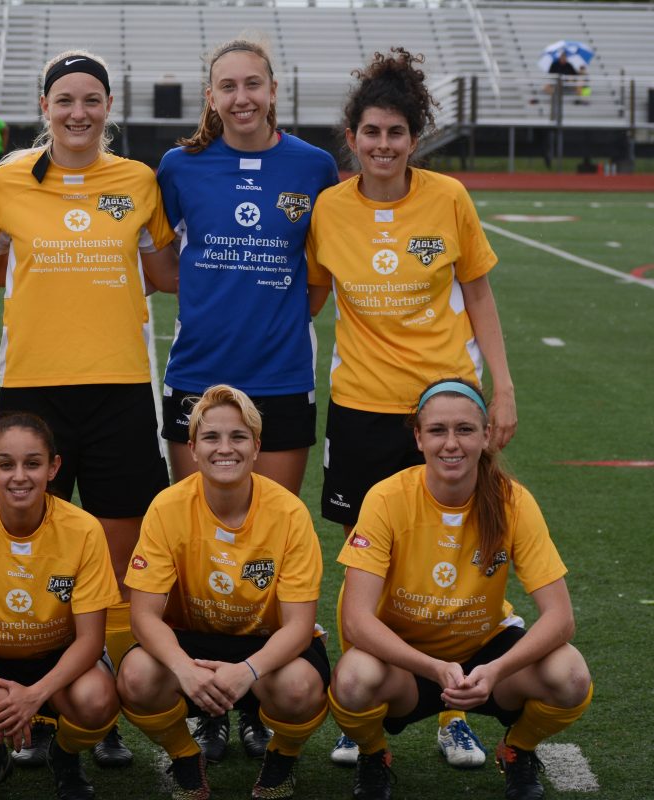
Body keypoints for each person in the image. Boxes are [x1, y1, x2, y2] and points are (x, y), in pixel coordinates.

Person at [307, 48, 517, 767]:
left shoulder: (448, 198)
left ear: (415, 137)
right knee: (364, 562)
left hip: (448, 407)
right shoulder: (329, 208)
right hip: (361, 406)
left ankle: (448, 711)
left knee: (452, 558)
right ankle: (355, 707)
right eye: (371, 132)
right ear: (352, 137)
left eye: (396, 132)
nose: (383, 145)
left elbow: (480, 293)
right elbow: (308, 295)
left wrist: (503, 389)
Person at [0, 49, 178, 768]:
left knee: (115, 570)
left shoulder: (139, 182)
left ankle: (102, 711)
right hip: (34, 393)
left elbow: (161, 271)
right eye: (65, 100)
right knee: (28, 556)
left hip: (122, 390)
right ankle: (22, 704)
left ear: (109, 107)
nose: (78, 113)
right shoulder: (6, 181)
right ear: (44, 105)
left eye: (91, 100)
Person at [154, 38, 337, 764]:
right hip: (198, 375)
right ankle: (203, 697)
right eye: (226, 86)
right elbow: (163, 260)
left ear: (273, 88)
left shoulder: (313, 166)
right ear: (210, 95)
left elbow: (317, 276)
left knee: (267, 540)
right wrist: (211, 299)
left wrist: (275, 314)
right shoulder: (179, 165)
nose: (240, 98)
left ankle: (256, 699)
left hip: (280, 379)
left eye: (252, 84)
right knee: (197, 549)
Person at [329, 379, 592, 800]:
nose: (451, 444)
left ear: (487, 435)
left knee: (571, 673)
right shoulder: (386, 497)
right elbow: (357, 621)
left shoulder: (513, 502)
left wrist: (495, 670)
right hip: (407, 659)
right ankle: (374, 754)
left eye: (465, 430)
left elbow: (561, 618)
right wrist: (432, 667)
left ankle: (517, 750)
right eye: (437, 430)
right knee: (353, 678)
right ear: (418, 437)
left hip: (484, 654)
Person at [118, 385, 328, 800]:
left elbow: (300, 626)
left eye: (238, 437)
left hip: (266, 644)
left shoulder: (289, 513)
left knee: (300, 687)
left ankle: (282, 755)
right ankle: (183, 755)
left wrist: (247, 671)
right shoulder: (167, 507)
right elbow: (143, 615)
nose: (224, 448)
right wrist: (183, 668)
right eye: (211, 437)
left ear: (256, 446)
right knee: (136, 677)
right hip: (193, 641)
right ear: (193, 449)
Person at [0, 413, 122, 800]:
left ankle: (63, 756)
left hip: (61, 658)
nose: (19, 476)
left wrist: (34, 695)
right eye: (6, 464)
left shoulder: (83, 530)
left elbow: (90, 640)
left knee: (97, 699)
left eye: (32, 463)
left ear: (53, 468)